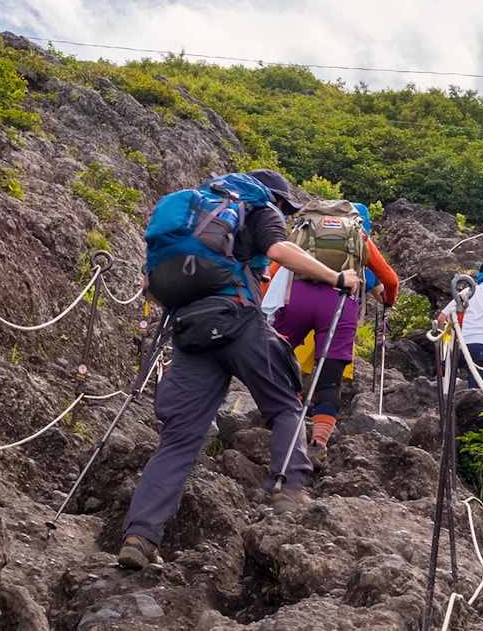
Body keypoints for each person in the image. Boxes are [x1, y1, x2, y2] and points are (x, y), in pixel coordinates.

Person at [118, 168, 360, 570]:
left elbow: (151, 286)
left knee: (178, 439)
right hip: (238, 321)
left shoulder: (193, 212)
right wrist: (336, 275)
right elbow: (281, 252)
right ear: (277, 199)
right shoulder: (262, 208)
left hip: (190, 331)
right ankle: (288, 486)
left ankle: (139, 536)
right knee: (285, 402)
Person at [270, 206, 399, 453]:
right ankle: (319, 441)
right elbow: (390, 280)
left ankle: (287, 421)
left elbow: (274, 267)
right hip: (340, 303)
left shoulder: (304, 229)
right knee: (329, 381)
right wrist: (389, 301)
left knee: (277, 358)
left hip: (296, 298)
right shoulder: (358, 236)